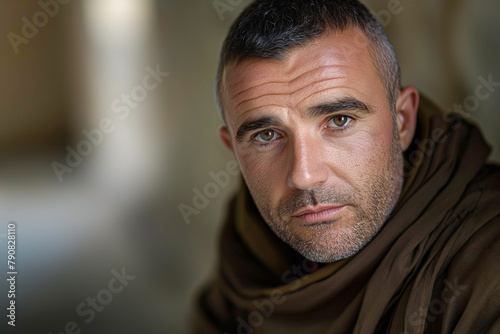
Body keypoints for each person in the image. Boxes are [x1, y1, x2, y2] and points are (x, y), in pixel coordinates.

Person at [191, 0, 500, 333]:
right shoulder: (245, 256)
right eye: (267, 135)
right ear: (234, 150)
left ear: (403, 121)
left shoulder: (486, 262)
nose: (304, 175)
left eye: (339, 121)